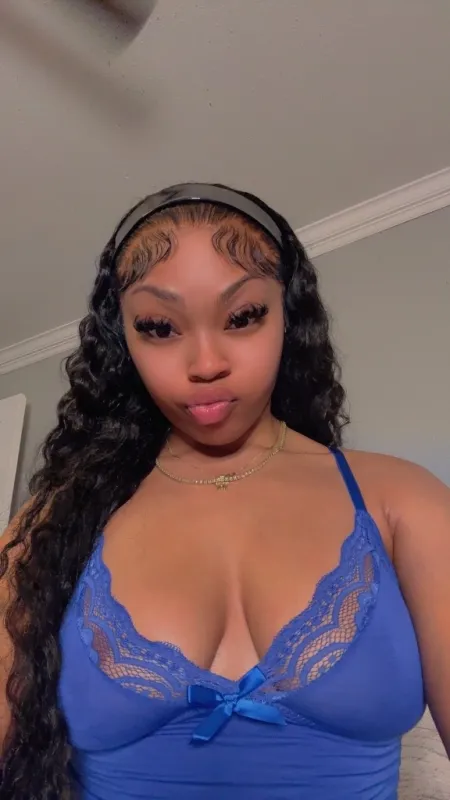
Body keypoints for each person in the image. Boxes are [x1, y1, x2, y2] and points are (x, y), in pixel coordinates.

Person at [0, 183, 449, 800]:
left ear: (289, 314)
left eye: (242, 317)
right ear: (123, 342)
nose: (205, 362)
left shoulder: (401, 501)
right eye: (159, 327)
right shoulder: (52, 526)